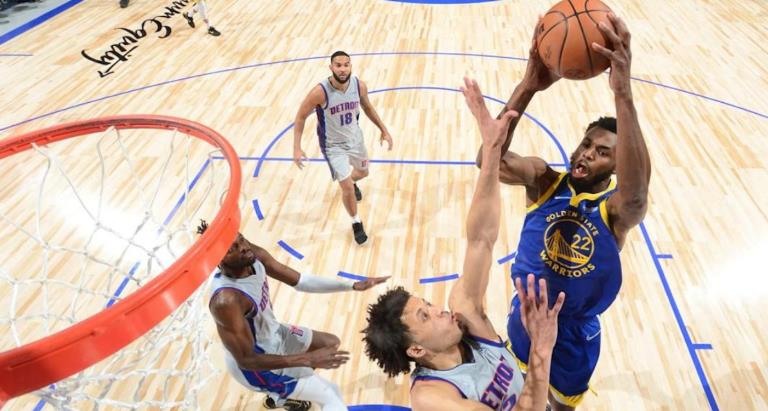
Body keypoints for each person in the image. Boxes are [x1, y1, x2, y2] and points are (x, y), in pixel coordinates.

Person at [476, 15, 650, 410]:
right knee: (522, 388)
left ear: (617, 166)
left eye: (602, 152)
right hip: (526, 313)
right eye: (586, 144)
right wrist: (528, 86)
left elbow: (637, 198)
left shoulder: (614, 210)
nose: (586, 153)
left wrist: (623, 94)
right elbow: (487, 160)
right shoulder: (544, 181)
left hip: (572, 332)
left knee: (561, 405)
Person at [362, 77, 565, 411]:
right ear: (416, 350)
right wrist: (541, 349)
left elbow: (480, 239)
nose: (440, 310)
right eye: (425, 316)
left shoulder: (463, 313)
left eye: (428, 304)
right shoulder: (434, 399)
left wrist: (492, 150)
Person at [198, 221, 388, 410]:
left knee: (329, 344)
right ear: (218, 260)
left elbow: (301, 281)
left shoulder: (251, 256)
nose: (244, 247)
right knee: (331, 395)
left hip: (274, 334)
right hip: (257, 368)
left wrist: (352, 285)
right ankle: (282, 390)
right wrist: (307, 359)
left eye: (241, 239)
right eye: (233, 248)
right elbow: (246, 360)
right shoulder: (226, 301)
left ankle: (283, 395)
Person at [292, 50, 393, 245]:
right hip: (332, 146)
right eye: (338, 65)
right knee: (345, 187)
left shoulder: (359, 85)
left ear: (350, 66)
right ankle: (356, 221)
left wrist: (384, 129)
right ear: (331, 67)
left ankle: (352, 182)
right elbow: (301, 116)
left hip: (355, 139)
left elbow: (368, 107)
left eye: (346, 64)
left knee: (363, 173)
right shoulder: (320, 92)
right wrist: (297, 147)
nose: (342, 69)